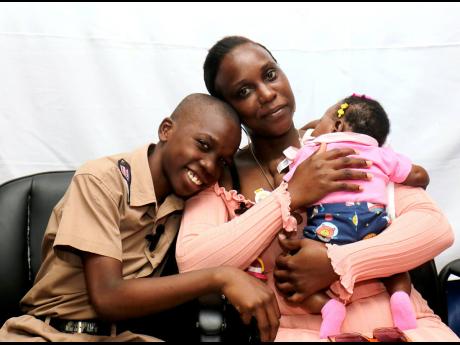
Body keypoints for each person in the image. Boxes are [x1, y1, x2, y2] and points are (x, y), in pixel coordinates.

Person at [176, 36, 459, 341]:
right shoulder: (222, 175)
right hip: (299, 331)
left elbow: (433, 229)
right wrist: (291, 194)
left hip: (406, 323)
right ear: (228, 109)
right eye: (243, 91)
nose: (268, 94)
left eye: (270, 75)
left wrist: (337, 263)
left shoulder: (344, 142)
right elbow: (194, 263)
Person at [0, 93, 282, 342]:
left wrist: (309, 137)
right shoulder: (101, 180)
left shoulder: (186, 200)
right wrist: (221, 277)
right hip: (51, 334)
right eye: (203, 145)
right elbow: (108, 297)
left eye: (222, 161)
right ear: (166, 130)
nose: (209, 166)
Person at [281, 93, 429, 338]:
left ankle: (328, 307)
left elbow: (291, 183)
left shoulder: (317, 150)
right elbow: (417, 175)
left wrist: (306, 138)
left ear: (337, 125)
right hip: (374, 226)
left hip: (330, 228)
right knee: (395, 270)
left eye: (323, 119)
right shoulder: (382, 154)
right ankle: (400, 296)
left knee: (293, 272)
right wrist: (421, 178)